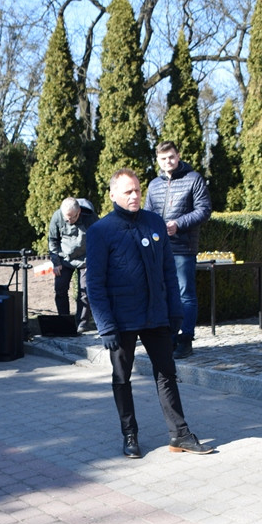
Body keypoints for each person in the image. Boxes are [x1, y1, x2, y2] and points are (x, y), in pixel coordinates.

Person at [85, 168, 215, 458]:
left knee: (167, 373)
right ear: (113, 195)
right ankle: (129, 434)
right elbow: (94, 283)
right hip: (122, 319)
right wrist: (106, 326)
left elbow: (169, 272)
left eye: (137, 190)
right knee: (122, 378)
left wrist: (175, 313)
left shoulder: (155, 223)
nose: (134, 196)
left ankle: (180, 434)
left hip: (156, 315)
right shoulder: (100, 231)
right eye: (128, 191)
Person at [143, 141, 212, 359]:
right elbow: (147, 214)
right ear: (157, 160)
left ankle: (185, 339)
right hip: (159, 249)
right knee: (162, 293)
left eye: (171, 157)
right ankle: (169, 338)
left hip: (183, 247)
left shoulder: (194, 179)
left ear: (178, 155)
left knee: (185, 294)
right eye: (163, 158)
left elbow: (204, 210)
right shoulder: (154, 185)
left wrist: (178, 224)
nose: (168, 162)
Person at [47, 197, 97, 333]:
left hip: (85, 258)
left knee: (85, 291)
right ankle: (64, 321)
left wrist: (94, 261)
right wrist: (56, 262)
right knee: (60, 289)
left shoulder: (90, 218)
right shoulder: (57, 216)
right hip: (64, 257)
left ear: (79, 212)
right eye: (66, 218)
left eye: (72, 218)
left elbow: (98, 240)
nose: (68, 220)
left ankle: (82, 323)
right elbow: (53, 240)